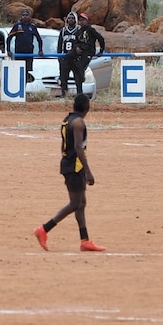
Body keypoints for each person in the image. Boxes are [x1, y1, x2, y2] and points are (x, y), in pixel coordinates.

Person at [34, 93, 105, 252]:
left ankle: (85, 240)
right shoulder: (79, 122)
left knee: (81, 203)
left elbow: (63, 145)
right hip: (74, 166)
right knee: (75, 203)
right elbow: (78, 147)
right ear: (87, 108)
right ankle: (44, 229)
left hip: (71, 165)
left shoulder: (67, 120)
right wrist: (88, 171)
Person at [74, 12, 106, 93]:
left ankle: (82, 80)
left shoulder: (90, 30)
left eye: (83, 20)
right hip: (80, 51)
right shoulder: (78, 31)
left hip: (88, 52)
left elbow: (101, 39)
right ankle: (79, 91)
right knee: (74, 66)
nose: (81, 22)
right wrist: (77, 47)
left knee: (80, 67)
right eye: (80, 20)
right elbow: (75, 42)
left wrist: (101, 50)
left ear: (87, 21)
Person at [8, 7, 43, 78]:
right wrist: (8, 50)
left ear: (29, 16)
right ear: (21, 16)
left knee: (26, 73)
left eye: (26, 15)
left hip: (29, 53)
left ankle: (25, 87)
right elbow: (9, 38)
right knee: (18, 72)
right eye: (23, 15)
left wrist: (40, 50)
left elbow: (39, 39)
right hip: (19, 53)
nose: (25, 16)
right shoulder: (17, 26)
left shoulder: (32, 27)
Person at [58, 12, 83, 97]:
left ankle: (79, 93)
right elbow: (59, 44)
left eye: (72, 18)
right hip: (65, 57)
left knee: (78, 77)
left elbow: (82, 43)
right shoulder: (63, 31)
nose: (71, 19)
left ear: (75, 20)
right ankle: (64, 94)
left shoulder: (79, 30)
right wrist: (59, 57)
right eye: (69, 18)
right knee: (63, 77)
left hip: (75, 58)